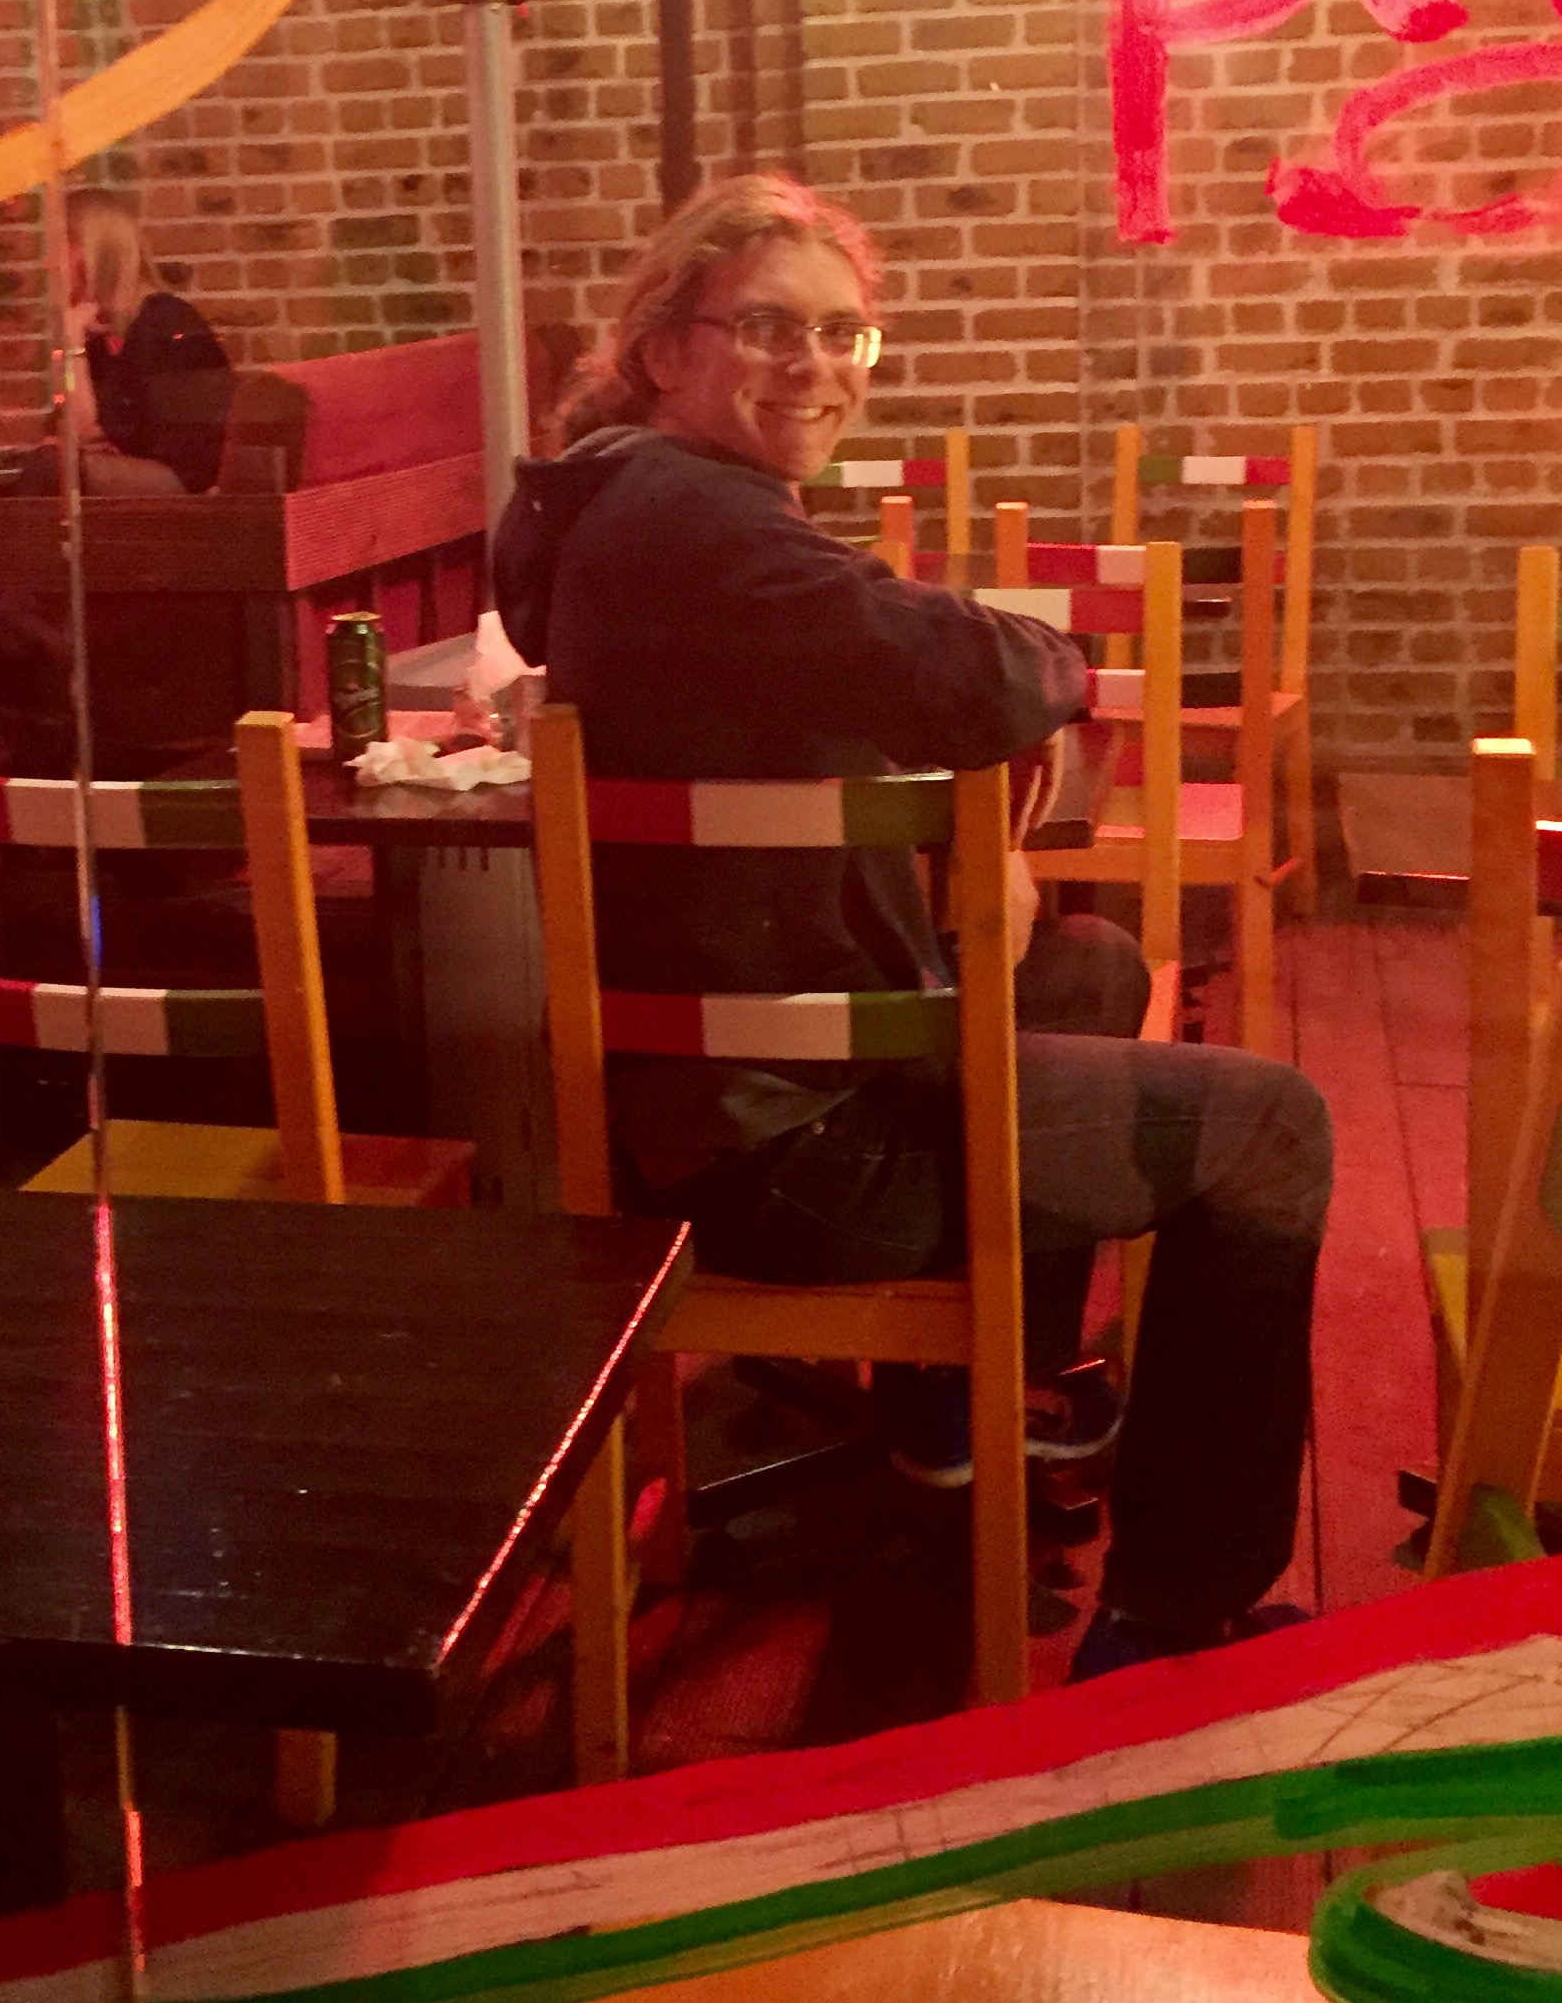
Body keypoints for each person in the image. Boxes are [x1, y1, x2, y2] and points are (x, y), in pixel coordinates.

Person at [492, 173, 1333, 1681]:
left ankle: (969, 1415)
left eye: (843, 336)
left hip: (718, 1102)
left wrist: (982, 811)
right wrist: (1052, 672)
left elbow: (887, 670)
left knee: (1085, 965)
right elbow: (975, 673)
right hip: (793, 1152)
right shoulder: (701, 527)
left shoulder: (623, 505)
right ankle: (1176, 1617)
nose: (814, 366)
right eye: (768, 327)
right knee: (1272, 1129)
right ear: (664, 349)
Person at [20, 186, 233, 497]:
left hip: (187, 485)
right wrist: (73, 343)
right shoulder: (99, 334)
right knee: (39, 468)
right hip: (132, 470)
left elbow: (191, 453)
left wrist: (72, 346)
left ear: (91, 252)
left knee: (52, 469)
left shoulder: (166, 322)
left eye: (57, 248)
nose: (47, 263)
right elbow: (68, 429)